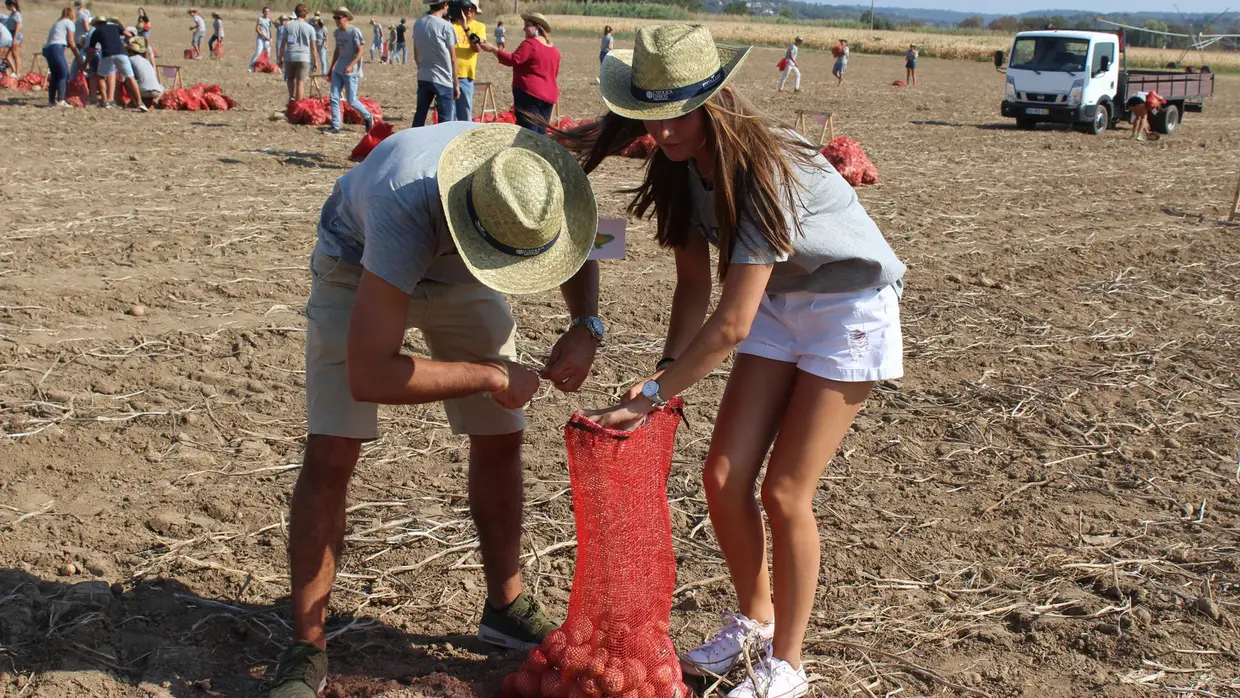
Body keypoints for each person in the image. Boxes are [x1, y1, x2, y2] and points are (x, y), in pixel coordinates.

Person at [559, 23, 905, 698]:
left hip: (850, 307)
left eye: (677, 114)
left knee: (784, 492)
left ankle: (788, 666)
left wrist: (652, 396)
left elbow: (732, 323)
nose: (663, 132)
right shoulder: (683, 168)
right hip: (782, 303)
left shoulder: (763, 169)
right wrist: (661, 373)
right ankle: (752, 622)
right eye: (652, 118)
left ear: (714, 98)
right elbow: (694, 284)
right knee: (722, 476)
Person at [264, 120, 603, 698]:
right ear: (473, 227)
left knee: (502, 433)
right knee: (332, 448)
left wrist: (586, 323)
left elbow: (582, 243)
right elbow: (370, 372)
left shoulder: (535, 178)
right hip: (357, 265)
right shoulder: (403, 204)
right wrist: (491, 374)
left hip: (462, 271)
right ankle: (307, 645)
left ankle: (506, 606)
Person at [477, 13, 559, 135]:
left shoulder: (530, 44)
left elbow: (513, 60)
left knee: (528, 133)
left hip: (529, 94)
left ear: (537, 27)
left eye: (527, 25)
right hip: (549, 97)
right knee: (541, 135)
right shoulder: (554, 51)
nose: (524, 28)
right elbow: (554, 74)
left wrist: (493, 49)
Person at [412, 0, 458, 126]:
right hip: (443, 79)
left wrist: (422, 68)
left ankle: (414, 142)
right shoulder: (446, 26)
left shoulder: (418, 24)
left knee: (420, 115)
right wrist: (456, 84)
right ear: (444, 5)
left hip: (423, 76)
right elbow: (453, 58)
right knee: (445, 122)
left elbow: (416, 54)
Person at [327, 6, 371, 134]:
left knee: (352, 100)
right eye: (335, 18)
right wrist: (331, 68)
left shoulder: (354, 32)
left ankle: (368, 117)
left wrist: (351, 65)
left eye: (338, 18)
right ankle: (336, 126)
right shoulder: (337, 33)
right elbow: (337, 50)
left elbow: (360, 51)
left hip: (351, 71)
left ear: (346, 18)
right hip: (339, 69)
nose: (336, 20)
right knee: (334, 97)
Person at [89, 16, 146, 111]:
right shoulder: (115, 26)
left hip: (107, 54)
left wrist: (86, 62)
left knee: (100, 77)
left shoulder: (96, 31)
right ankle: (140, 103)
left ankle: (104, 101)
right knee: (130, 77)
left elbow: (91, 50)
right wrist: (127, 44)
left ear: (96, 24)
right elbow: (128, 35)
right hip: (121, 53)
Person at [451, 0, 485, 121]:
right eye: (466, 7)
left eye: (472, 7)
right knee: (449, 115)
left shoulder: (479, 26)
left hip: (466, 76)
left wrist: (466, 27)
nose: (469, 10)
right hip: (448, 75)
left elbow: (476, 48)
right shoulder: (451, 25)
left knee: (465, 114)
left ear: (475, 10)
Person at [43, 6, 79, 107]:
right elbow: (71, 42)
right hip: (56, 48)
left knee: (55, 75)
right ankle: (61, 100)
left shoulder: (58, 22)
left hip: (47, 49)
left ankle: (51, 101)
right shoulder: (69, 23)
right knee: (64, 73)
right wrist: (78, 56)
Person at [281, 4, 317, 102]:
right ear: (306, 14)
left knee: (290, 78)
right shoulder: (310, 28)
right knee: (300, 82)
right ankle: (298, 104)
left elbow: (283, 43)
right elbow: (313, 48)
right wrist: (316, 61)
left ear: (296, 13)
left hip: (290, 56)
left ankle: (291, 97)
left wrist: (280, 58)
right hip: (304, 57)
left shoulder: (288, 25)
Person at [126, 35, 162, 107]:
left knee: (127, 82)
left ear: (130, 52)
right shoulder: (146, 61)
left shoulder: (130, 60)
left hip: (144, 91)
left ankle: (135, 102)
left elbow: (131, 76)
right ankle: (156, 100)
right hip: (157, 92)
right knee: (162, 87)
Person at [249, 6, 272, 71]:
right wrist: (264, 36)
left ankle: (264, 67)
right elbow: (257, 29)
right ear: (263, 12)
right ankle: (250, 67)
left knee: (267, 53)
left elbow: (269, 30)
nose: (267, 12)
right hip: (261, 38)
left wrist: (271, 38)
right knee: (258, 51)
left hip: (268, 39)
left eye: (268, 11)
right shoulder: (260, 19)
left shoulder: (269, 20)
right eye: (266, 11)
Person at [3, 0, 21, 75]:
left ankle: (17, 72)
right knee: (7, 55)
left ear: (10, 5)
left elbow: (17, 27)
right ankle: (14, 71)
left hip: (14, 37)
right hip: (10, 36)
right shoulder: (12, 14)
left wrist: (14, 39)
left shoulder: (17, 14)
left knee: (15, 55)